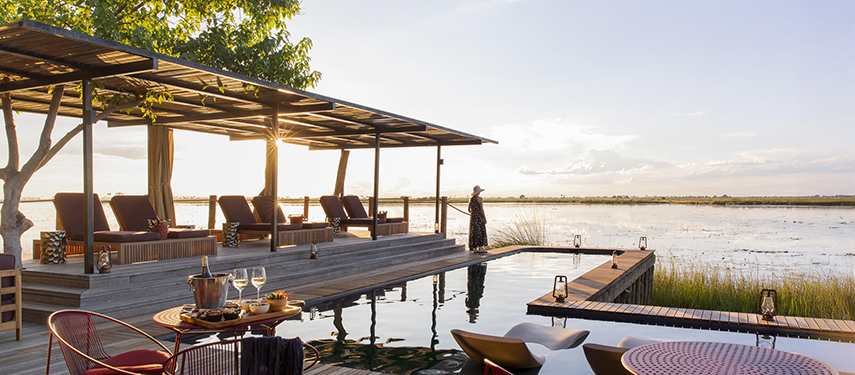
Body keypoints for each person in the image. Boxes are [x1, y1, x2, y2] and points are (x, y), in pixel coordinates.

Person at [468, 185, 488, 253]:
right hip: (479, 217)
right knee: (481, 232)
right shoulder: (480, 199)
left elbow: (469, 210)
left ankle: (474, 248)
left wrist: (474, 213)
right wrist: (484, 218)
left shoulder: (471, 199)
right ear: (478, 192)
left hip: (473, 217)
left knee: (474, 232)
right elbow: (482, 209)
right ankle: (480, 248)